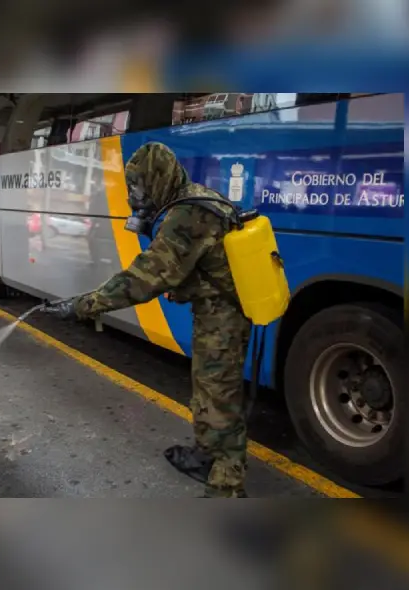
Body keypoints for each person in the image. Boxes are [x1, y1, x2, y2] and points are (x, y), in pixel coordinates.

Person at [42, 142, 252, 498]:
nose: (135, 196)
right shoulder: (191, 196)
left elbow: (144, 279)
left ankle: (228, 486)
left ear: (158, 179)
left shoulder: (187, 214)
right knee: (207, 389)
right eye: (131, 188)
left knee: (218, 395)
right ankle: (207, 454)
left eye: (139, 187)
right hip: (215, 311)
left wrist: (84, 305)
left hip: (225, 318)